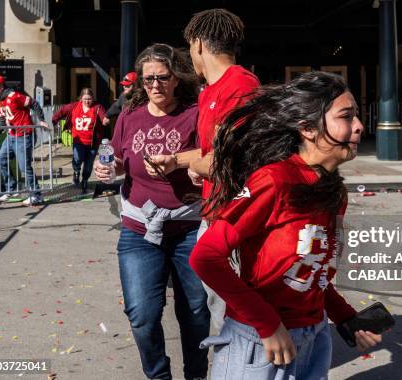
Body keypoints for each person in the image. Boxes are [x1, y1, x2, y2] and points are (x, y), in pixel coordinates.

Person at [189, 72, 382, 379]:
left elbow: (312, 270)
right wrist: (266, 322)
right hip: (258, 343)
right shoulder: (274, 180)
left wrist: (345, 317)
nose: (359, 126)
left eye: (356, 115)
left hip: (314, 338)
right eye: (346, 117)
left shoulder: (335, 192)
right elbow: (205, 257)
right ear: (307, 128)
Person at [94, 43, 209, 380]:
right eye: (148, 80)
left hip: (188, 228)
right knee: (142, 315)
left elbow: (213, 155)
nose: (155, 85)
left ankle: (196, 375)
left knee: (196, 313)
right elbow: (117, 159)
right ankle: (159, 376)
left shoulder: (195, 113)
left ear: (176, 78)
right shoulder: (130, 116)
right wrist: (109, 169)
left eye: (163, 77)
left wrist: (184, 164)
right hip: (138, 230)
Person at [183, 8, 261, 332]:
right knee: (222, 312)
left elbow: (224, 160)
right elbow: (208, 155)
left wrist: (195, 164)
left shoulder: (240, 84)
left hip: (235, 216)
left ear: (198, 44)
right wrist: (183, 160)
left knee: (236, 318)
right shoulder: (208, 92)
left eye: (189, 47)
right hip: (214, 210)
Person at [0, 75, 50, 206]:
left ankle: (36, 195)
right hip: (11, 136)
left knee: (24, 167)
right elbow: (3, 120)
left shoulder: (14, 96)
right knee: (1, 159)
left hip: (24, 135)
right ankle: (12, 188)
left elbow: (33, 103)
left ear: (0, 87)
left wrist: (42, 120)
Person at [52, 88, 107, 193]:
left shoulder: (97, 107)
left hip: (92, 142)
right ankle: (76, 171)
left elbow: (103, 116)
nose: (87, 101)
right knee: (77, 159)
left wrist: (105, 120)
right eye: (85, 99)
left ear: (93, 99)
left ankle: (85, 180)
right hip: (78, 141)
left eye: (89, 99)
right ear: (81, 98)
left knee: (88, 164)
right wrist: (54, 120)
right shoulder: (74, 106)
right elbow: (62, 111)